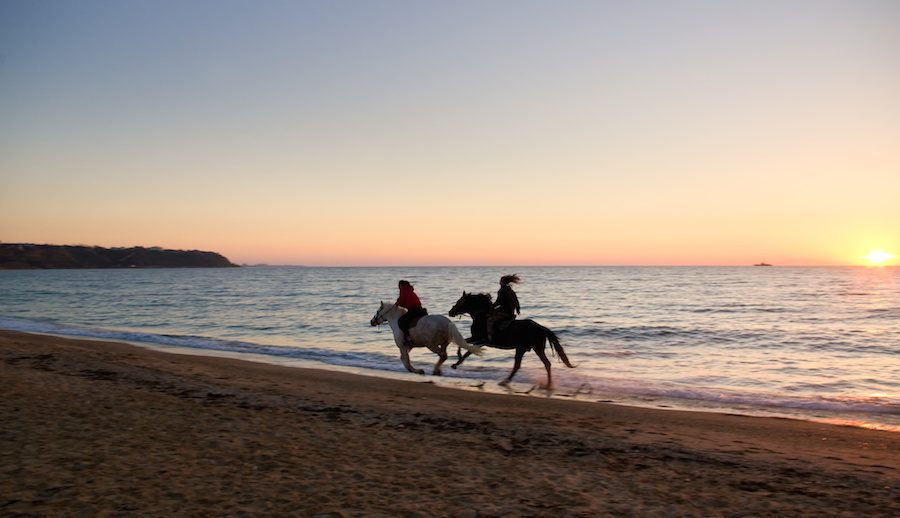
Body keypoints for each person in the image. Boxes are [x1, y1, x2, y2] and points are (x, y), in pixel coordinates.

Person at [487, 274, 520, 342]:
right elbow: (516, 301)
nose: (499, 282)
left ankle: (490, 337)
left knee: (489, 320)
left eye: (500, 281)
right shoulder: (511, 290)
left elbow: (498, 302)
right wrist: (517, 309)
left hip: (504, 312)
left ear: (502, 282)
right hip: (511, 311)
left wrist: (491, 307)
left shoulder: (501, 291)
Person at [395, 280, 427, 346]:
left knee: (401, 321)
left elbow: (401, 300)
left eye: (399, 286)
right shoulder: (410, 290)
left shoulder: (403, 290)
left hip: (414, 310)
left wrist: (396, 304)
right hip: (421, 310)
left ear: (401, 285)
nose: (398, 287)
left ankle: (408, 338)